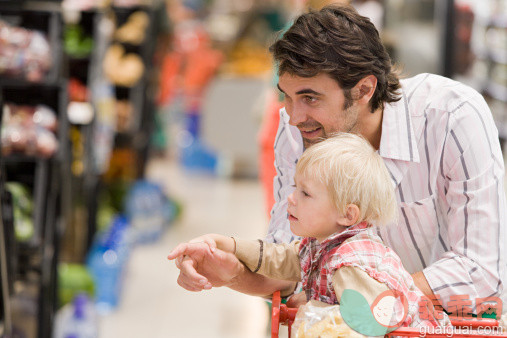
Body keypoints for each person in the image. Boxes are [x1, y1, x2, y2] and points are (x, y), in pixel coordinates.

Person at [171, 4, 507, 315]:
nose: (294, 116)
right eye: (287, 97)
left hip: (448, 324)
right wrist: (230, 271)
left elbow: (481, 270)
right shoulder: (300, 132)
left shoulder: (452, 117)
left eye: (310, 98)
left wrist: (366, 304)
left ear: (364, 90)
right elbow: (296, 263)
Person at [168, 133, 449, 330]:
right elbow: (279, 258)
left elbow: (371, 323)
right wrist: (222, 243)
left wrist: (312, 307)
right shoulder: (323, 244)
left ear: (347, 214)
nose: (291, 198)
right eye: (295, 187)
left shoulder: (350, 264)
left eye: (305, 193)